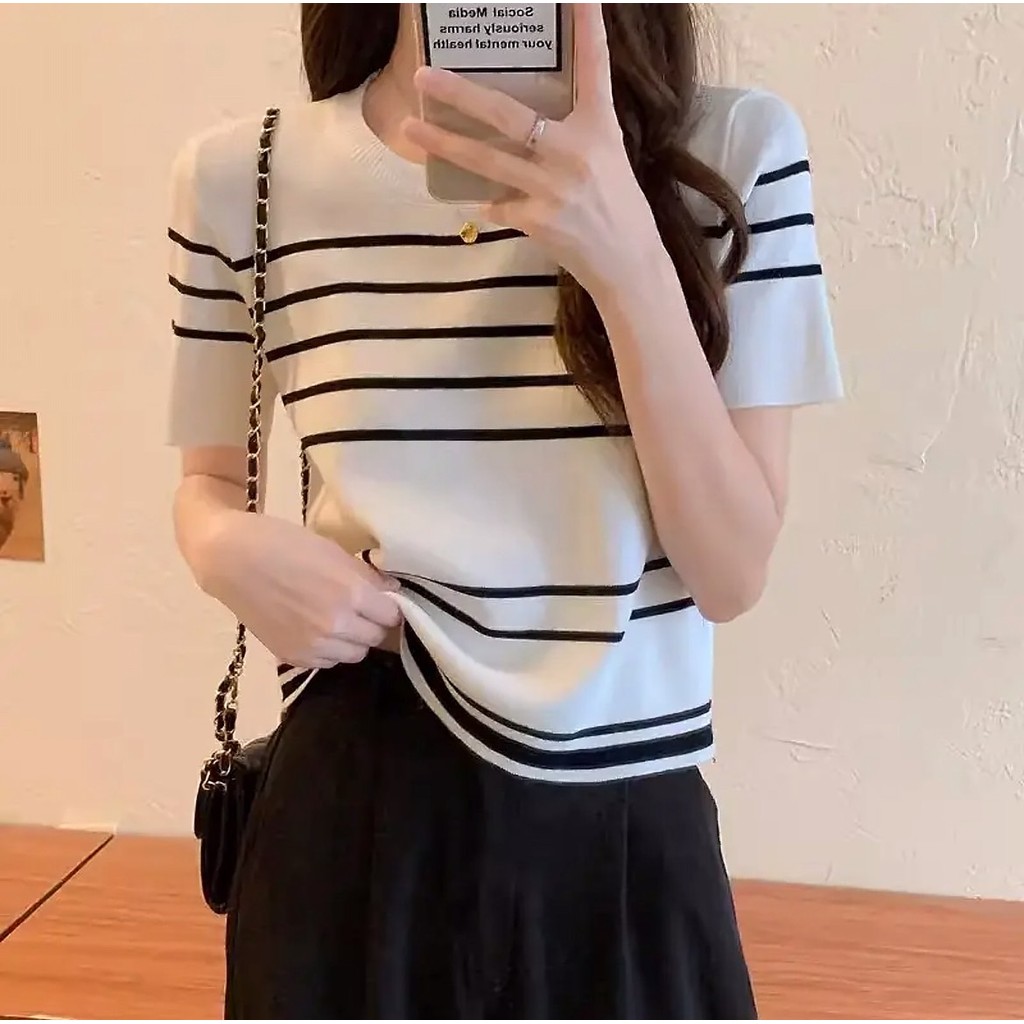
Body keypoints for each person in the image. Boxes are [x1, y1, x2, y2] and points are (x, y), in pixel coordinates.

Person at [167, 3, 842, 1017]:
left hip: (623, 824)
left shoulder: (733, 149)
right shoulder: (245, 176)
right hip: (351, 809)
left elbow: (731, 570)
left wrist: (625, 255)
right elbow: (209, 485)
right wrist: (218, 542)